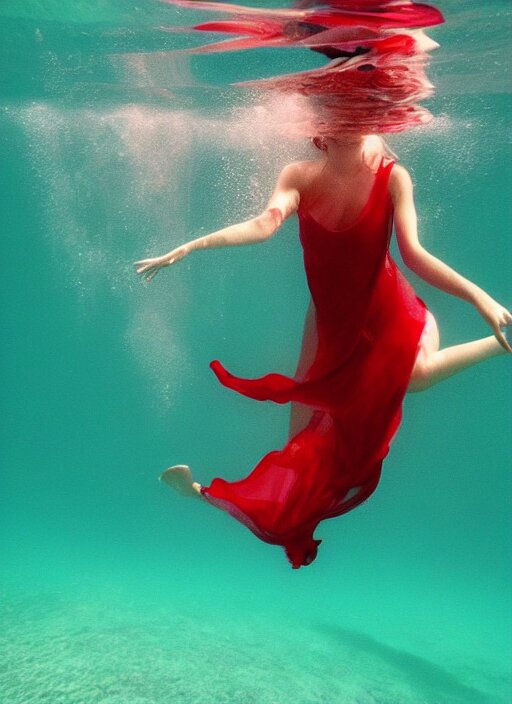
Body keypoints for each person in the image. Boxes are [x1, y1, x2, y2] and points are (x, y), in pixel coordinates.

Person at [135, 134, 511, 568]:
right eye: (339, 123)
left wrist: (481, 298)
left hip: (392, 315)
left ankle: (502, 344)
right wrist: (191, 246)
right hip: (333, 333)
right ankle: (202, 494)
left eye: (362, 121)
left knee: (416, 376)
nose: (349, 127)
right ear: (320, 136)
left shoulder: (392, 178)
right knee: (305, 452)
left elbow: (415, 255)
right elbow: (264, 223)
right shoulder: (300, 176)